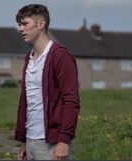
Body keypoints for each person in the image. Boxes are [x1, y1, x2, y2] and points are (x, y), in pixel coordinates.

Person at [14, 4, 80, 160]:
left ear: (40, 24)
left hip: (53, 142)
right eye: (19, 24)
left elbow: (71, 101)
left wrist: (64, 140)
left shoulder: (60, 56)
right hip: (31, 142)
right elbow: (27, 102)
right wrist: (23, 141)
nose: (20, 29)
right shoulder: (28, 58)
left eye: (25, 24)